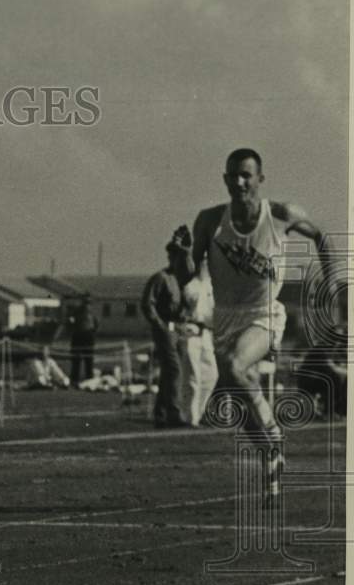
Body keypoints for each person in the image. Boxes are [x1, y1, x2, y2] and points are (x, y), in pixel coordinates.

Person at [190, 148, 336, 498]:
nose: (239, 182)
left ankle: (273, 440)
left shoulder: (281, 215)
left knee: (236, 367)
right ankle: (271, 456)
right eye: (232, 176)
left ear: (259, 179)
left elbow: (322, 237)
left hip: (263, 315)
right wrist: (186, 264)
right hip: (224, 318)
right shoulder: (210, 220)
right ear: (225, 179)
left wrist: (329, 287)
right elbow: (193, 271)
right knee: (238, 399)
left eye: (246, 175)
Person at [142, 239, 186, 427]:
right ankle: (173, 413)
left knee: (170, 372)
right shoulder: (161, 278)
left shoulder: (181, 279)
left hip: (179, 329)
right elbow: (147, 303)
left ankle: (160, 413)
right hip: (165, 328)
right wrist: (158, 324)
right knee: (174, 369)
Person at [177, 271, 217, 427]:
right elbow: (186, 308)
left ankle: (197, 413)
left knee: (211, 375)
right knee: (192, 376)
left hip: (207, 333)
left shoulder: (213, 285)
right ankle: (190, 417)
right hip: (192, 331)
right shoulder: (190, 286)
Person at [68, 296, 98, 385]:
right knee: (79, 358)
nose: (87, 305)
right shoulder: (80, 312)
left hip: (85, 335)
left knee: (87, 358)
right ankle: (77, 377)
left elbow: (95, 324)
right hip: (81, 335)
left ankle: (86, 376)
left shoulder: (90, 313)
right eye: (86, 302)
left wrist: (92, 331)